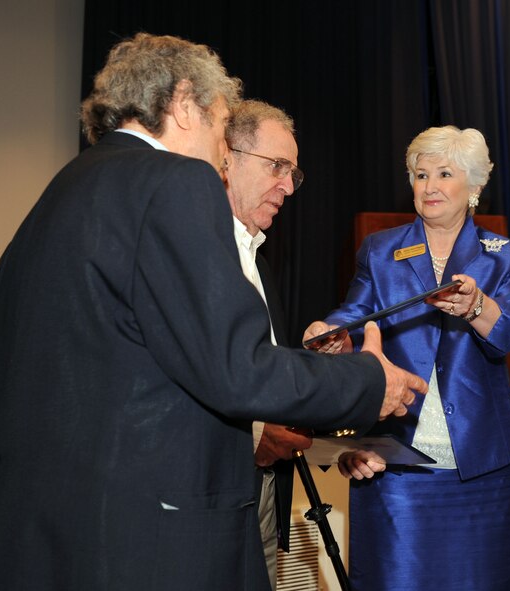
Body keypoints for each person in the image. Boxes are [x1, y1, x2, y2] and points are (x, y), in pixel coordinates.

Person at [0, 33, 427, 591]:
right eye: (222, 127)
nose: (222, 153)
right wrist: (366, 381)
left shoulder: (59, 196)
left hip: (47, 535)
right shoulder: (175, 181)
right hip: (152, 540)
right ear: (183, 104)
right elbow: (234, 367)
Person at [304, 125, 510, 590]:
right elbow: (353, 314)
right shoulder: (381, 249)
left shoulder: (501, 255)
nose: (429, 186)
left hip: (485, 462)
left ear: (473, 187)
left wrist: (476, 307)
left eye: (444, 174)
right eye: (420, 174)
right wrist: (329, 332)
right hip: (398, 459)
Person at [222, 99, 313, 589]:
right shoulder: (201, 251)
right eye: (277, 166)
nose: (286, 186)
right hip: (212, 492)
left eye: (292, 173)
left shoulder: (259, 261)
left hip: (266, 491)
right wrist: (257, 436)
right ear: (227, 157)